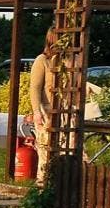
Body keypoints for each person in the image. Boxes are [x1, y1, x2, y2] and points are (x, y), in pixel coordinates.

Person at [28, 27, 75, 187]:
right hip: (47, 112)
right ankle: (43, 185)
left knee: (70, 149)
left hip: (67, 111)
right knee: (46, 150)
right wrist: (37, 112)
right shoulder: (42, 60)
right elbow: (35, 88)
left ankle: (66, 185)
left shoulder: (70, 60)